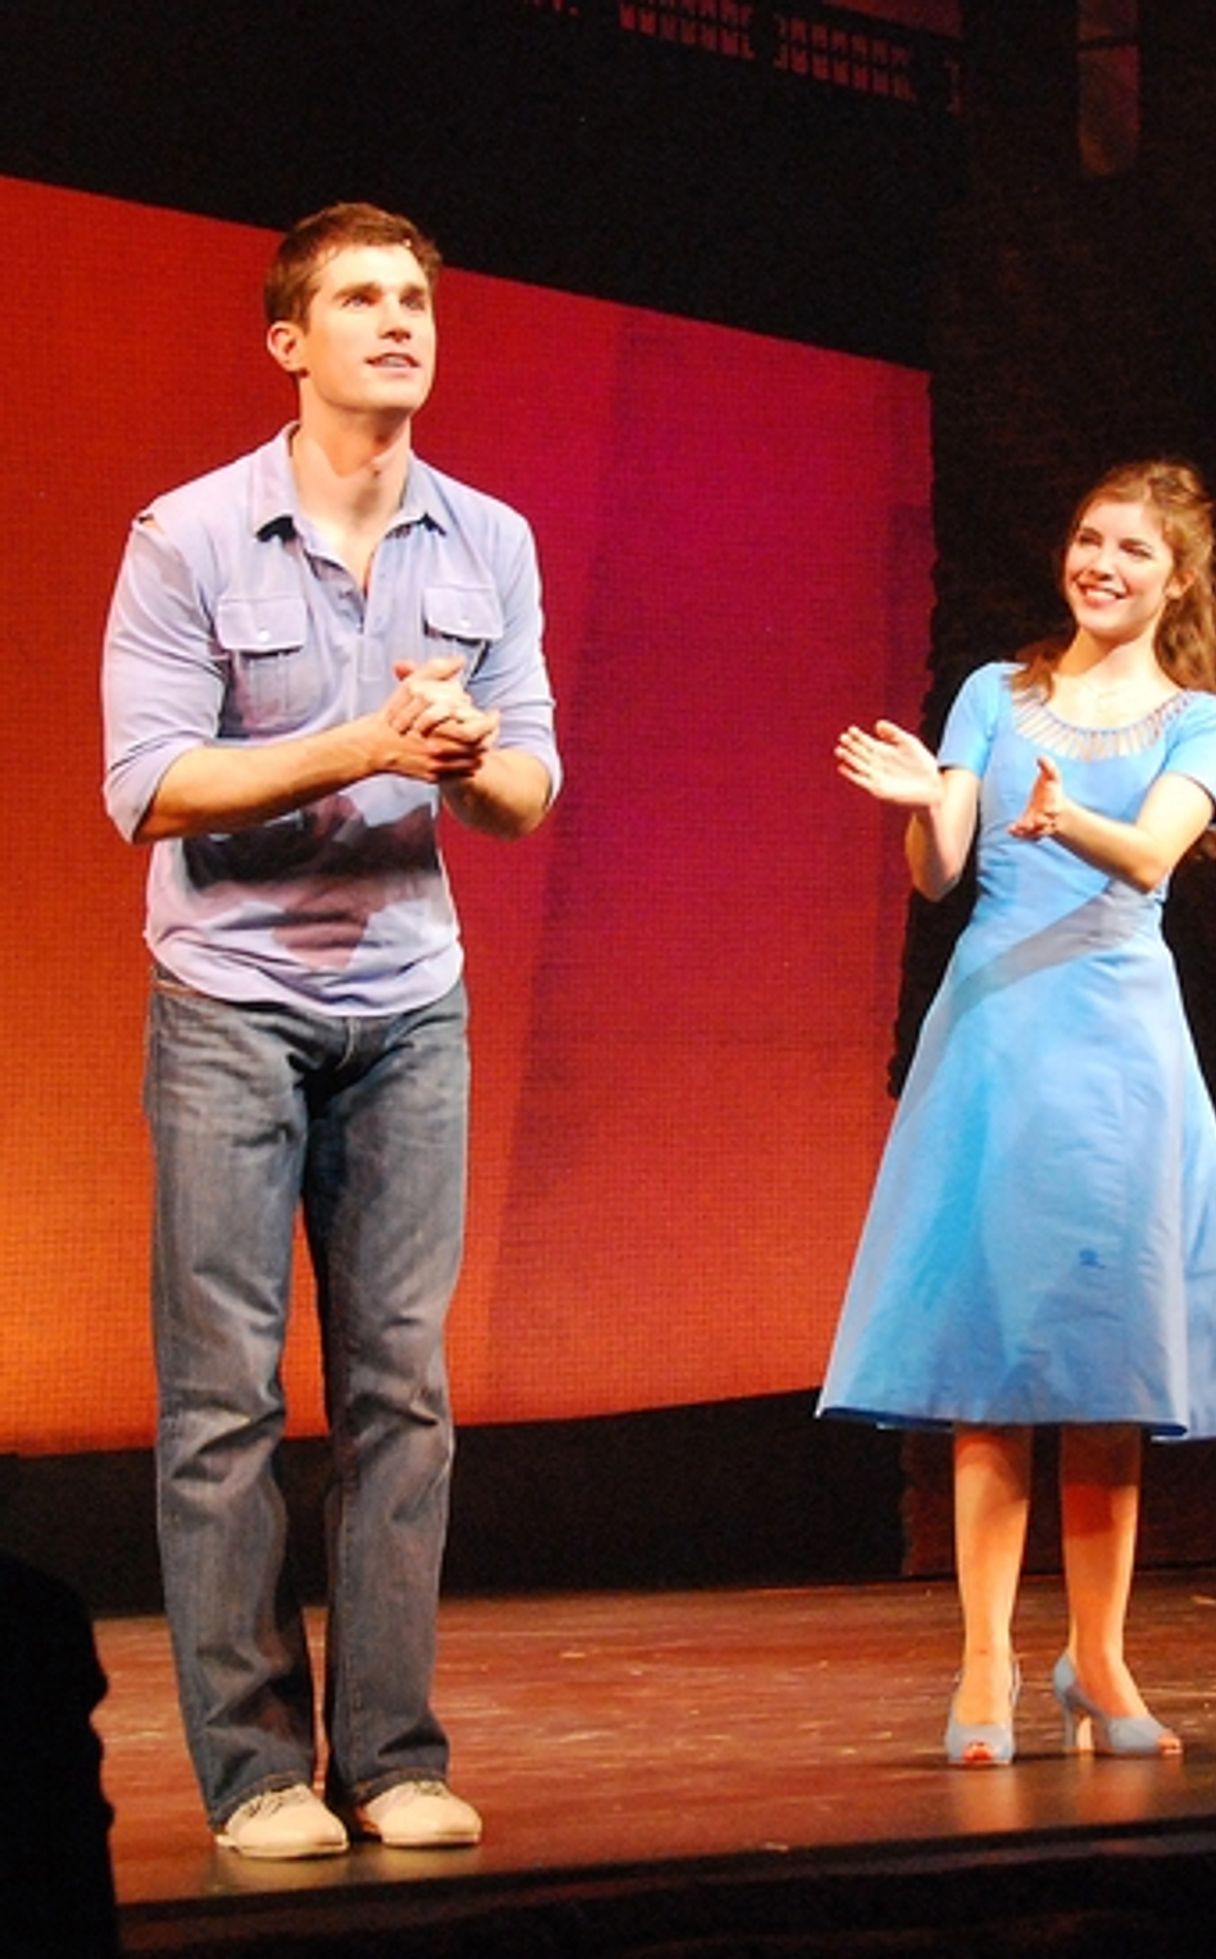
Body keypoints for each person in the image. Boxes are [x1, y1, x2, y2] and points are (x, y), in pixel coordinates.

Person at [102, 203, 560, 1855]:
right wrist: (363, 738)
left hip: (409, 1008)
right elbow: (149, 788)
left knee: (401, 1394)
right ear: (290, 343)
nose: (399, 320)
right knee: (222, 1400)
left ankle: (392, 1756)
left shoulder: (484, 540)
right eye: (361, 298)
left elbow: (529, 788)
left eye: (418, 297)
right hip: (231, 1005)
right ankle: (255, 1774)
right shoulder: (191, 535)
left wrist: (463, 760)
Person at [819, 460, 1216, 1766]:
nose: (1104, 565)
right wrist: (924, 811)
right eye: (1090, 540)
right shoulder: (994, 694)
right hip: (1000, 1042)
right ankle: (983, 1671)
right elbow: (944, 870)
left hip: (1119, 1051)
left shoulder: (1203, 721)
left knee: (1105, 1371)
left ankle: (1100, 1660)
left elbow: (1146, 859)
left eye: (1134, 551)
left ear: (1176, 578)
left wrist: (1066, 809)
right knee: (993, 1364)